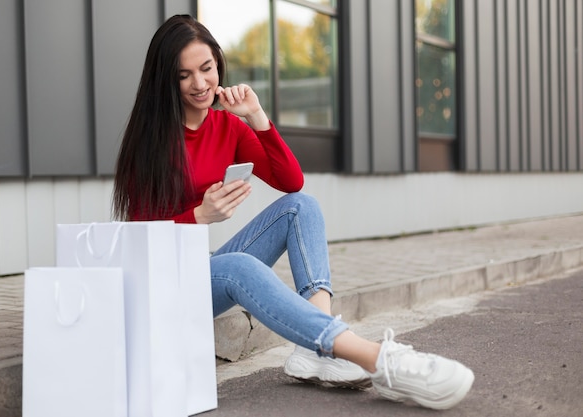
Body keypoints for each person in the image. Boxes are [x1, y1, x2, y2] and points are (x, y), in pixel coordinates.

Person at [113, 14, 474, 410]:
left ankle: (319, 352)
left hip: (201, 273)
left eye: (206, 68)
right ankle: (378, 359)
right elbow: (137, 239)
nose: (200, 84)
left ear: (218, 63)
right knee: (236, 266)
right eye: (184, 75)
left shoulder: (228, 127)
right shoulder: (149, 139)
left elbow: (291, 181)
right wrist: (198, 217)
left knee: (301, 207)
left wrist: (256, 116)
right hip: (163, 284)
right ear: (166, 79)